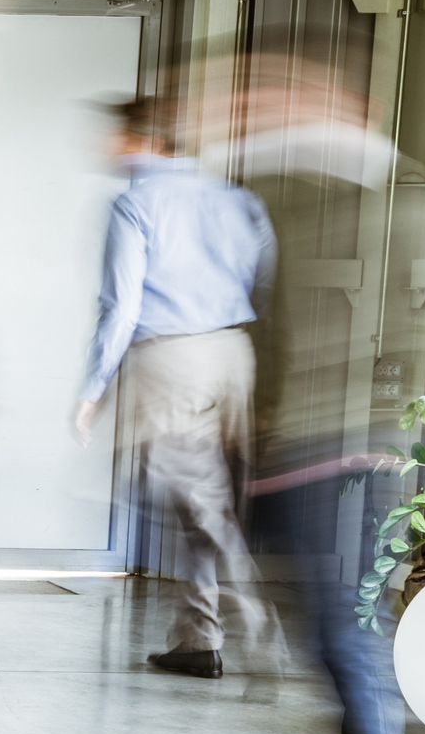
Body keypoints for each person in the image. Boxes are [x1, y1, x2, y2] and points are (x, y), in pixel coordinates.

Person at [230, 49, 411, 734]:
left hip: (360, 456)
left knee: (348, 638)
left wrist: (382, 425)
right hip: (297, 457)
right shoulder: (297, 202)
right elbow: (276, 326)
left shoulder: (405, 203)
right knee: (324, 639)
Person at [75, 95, 277, 680]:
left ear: (146, 140)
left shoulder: (136, 202)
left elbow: (120, 307)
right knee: (201, 503)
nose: (106, 147)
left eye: (115, 136)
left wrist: (94, 388)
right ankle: (198, 639)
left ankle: (262, 625)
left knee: (200, 504)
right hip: (233, 351)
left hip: (174, 358)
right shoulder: (239, 200)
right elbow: (262, 287)